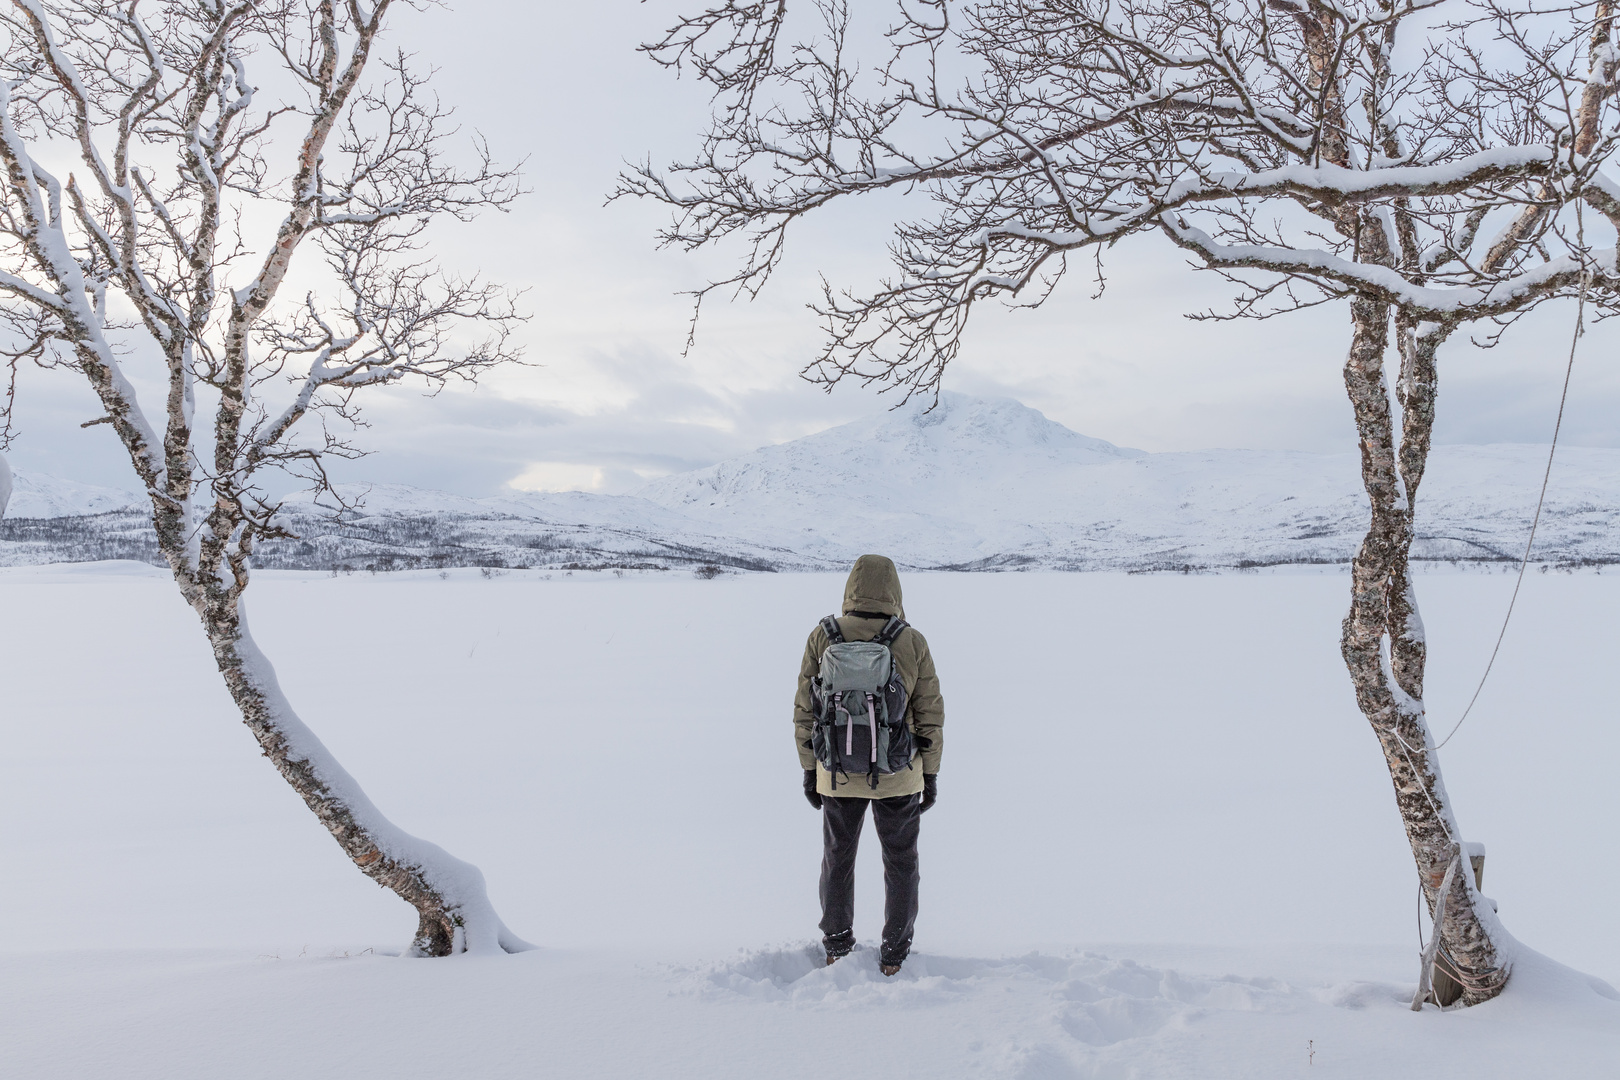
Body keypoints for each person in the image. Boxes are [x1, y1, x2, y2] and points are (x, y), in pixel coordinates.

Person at [794, 554, 944, 976]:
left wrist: (810, 768)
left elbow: (804, 710)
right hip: (898, 774)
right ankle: (895, 953)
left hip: (837, 773)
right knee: (901, 861)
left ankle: (837, 945)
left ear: (851, 587)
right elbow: (930, 712)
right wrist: (929, 773)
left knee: (838, 856)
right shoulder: (911, 641)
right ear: (894, 590)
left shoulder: (822, 637)